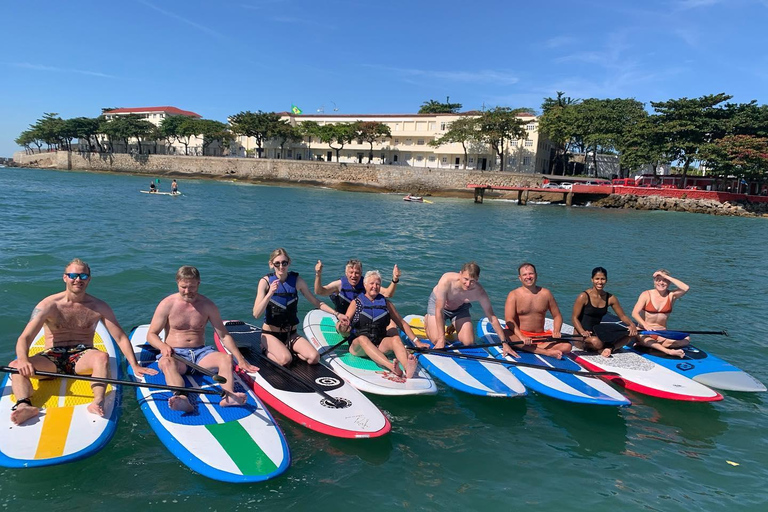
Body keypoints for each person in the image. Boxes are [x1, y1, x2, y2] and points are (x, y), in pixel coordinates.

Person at [8, 258, 157, 425]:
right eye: (73, 275)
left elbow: (120, 337)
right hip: (52, 357)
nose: (77, 279)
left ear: (89, 279)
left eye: (83, 276)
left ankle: (97, 402)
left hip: (82, 355)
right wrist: (23, 359)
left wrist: (134, 365)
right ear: (65, 277)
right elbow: (25, 337)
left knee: (101, 357)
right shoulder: (49, 305)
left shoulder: (98, 306)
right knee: (15, 366)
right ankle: (24, 405)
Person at [147, 265, 258, 412]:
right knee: (167, 363)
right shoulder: (167, 304)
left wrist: (241, 360)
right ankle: (182, 398)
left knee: (226, 358)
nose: (188, 291)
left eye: (192, 287)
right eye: (183, 287)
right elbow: (151, 334)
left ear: (198, 283)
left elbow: (223, 335)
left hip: (200, 354)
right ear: (177, 283)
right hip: (176, 356)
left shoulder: (207, 305)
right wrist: (162, 346)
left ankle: (229, 396)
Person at [253, 248, 348, 367]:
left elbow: (316, 302)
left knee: (314, 357)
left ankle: (289, 351)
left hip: (291, 334)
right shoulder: (265, 282)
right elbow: (256, 314)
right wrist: (270, 293)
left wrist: (337, 314)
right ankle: (265, 349)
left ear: (289, 263)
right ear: (271, 264)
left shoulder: (297, 281)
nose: (281, 266)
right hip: (270, 334)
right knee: (285, 360)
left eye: (284, 263)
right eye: (277, 263)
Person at [339, 270, 421, 379]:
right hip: (359, 347)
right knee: (363, 338)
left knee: (395, 339)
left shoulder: (386, 303)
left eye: (377, 284)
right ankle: (391, 366)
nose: (375, 286)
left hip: (379, 344)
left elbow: (401, 323)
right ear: (365, 285)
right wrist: (343, 326)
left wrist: (417, 342)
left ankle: (407, 367)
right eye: (372, 283)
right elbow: (344, 325)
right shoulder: (356, 303)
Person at [424, 262, 514, 355]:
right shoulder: (447, 280)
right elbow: (439, 310)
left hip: (460, 308)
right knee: (436, 339)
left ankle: (454, 324)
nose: (468, 284)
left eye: (472, 281)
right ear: (460, 274)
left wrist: (504, 343)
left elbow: (491, 316)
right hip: (439, 306)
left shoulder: (479, 292)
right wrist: (441, 339)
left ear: (477, 279)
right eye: (466, 279)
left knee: (468, 343)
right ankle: (427, 319)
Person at [504, 263, 570, 359]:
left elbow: (557, 316)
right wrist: (521, 336)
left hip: (540, 337)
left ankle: (532, 348)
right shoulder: (513, 295)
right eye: (525, 275)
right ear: (520, 278)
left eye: (531, 274)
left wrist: (556, 330)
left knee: (567, 346)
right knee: (505, 333)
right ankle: (545, 352)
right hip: (521, 335)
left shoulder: (546, 294)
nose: (528, 277)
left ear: (536, 275)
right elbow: (509, 319)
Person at [571, 267, 638, 357]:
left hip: (598, 332)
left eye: (603, 279)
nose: (600, 282)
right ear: (592, 280)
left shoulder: (610, 298)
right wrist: (582, 331)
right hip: (580, 336)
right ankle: (601, 348)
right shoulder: (584, 296)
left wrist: (632, 325)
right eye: (597, 279)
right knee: (596, 342)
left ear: (606, 280)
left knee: (630, 335)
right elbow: (574, 317)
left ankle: (610, 348)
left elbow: (622, 316)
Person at [631, 270, 690, 358]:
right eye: (658, 280)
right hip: (645, 331)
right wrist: (645, 325)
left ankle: (648, 344)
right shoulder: (646, 294)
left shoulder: (671, 295)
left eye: (664, 280)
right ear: (654, 282)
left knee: (686, 340)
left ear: (669, 282)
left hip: (661, 333)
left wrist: (666, 276)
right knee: (646, 339)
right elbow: (634, 313)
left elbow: (686, 288)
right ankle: (668, 351)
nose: (661, 283)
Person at [314, 259, 400, 314]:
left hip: (362, 319)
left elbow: (388, 294)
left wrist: (395, 279)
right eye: (351, 272)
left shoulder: (366, 284)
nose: (354, 275)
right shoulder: (339, 285)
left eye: (357, 273)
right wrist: (318, 274)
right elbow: (319, 292)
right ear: (346, 273)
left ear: (361, 273)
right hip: (343, 318)